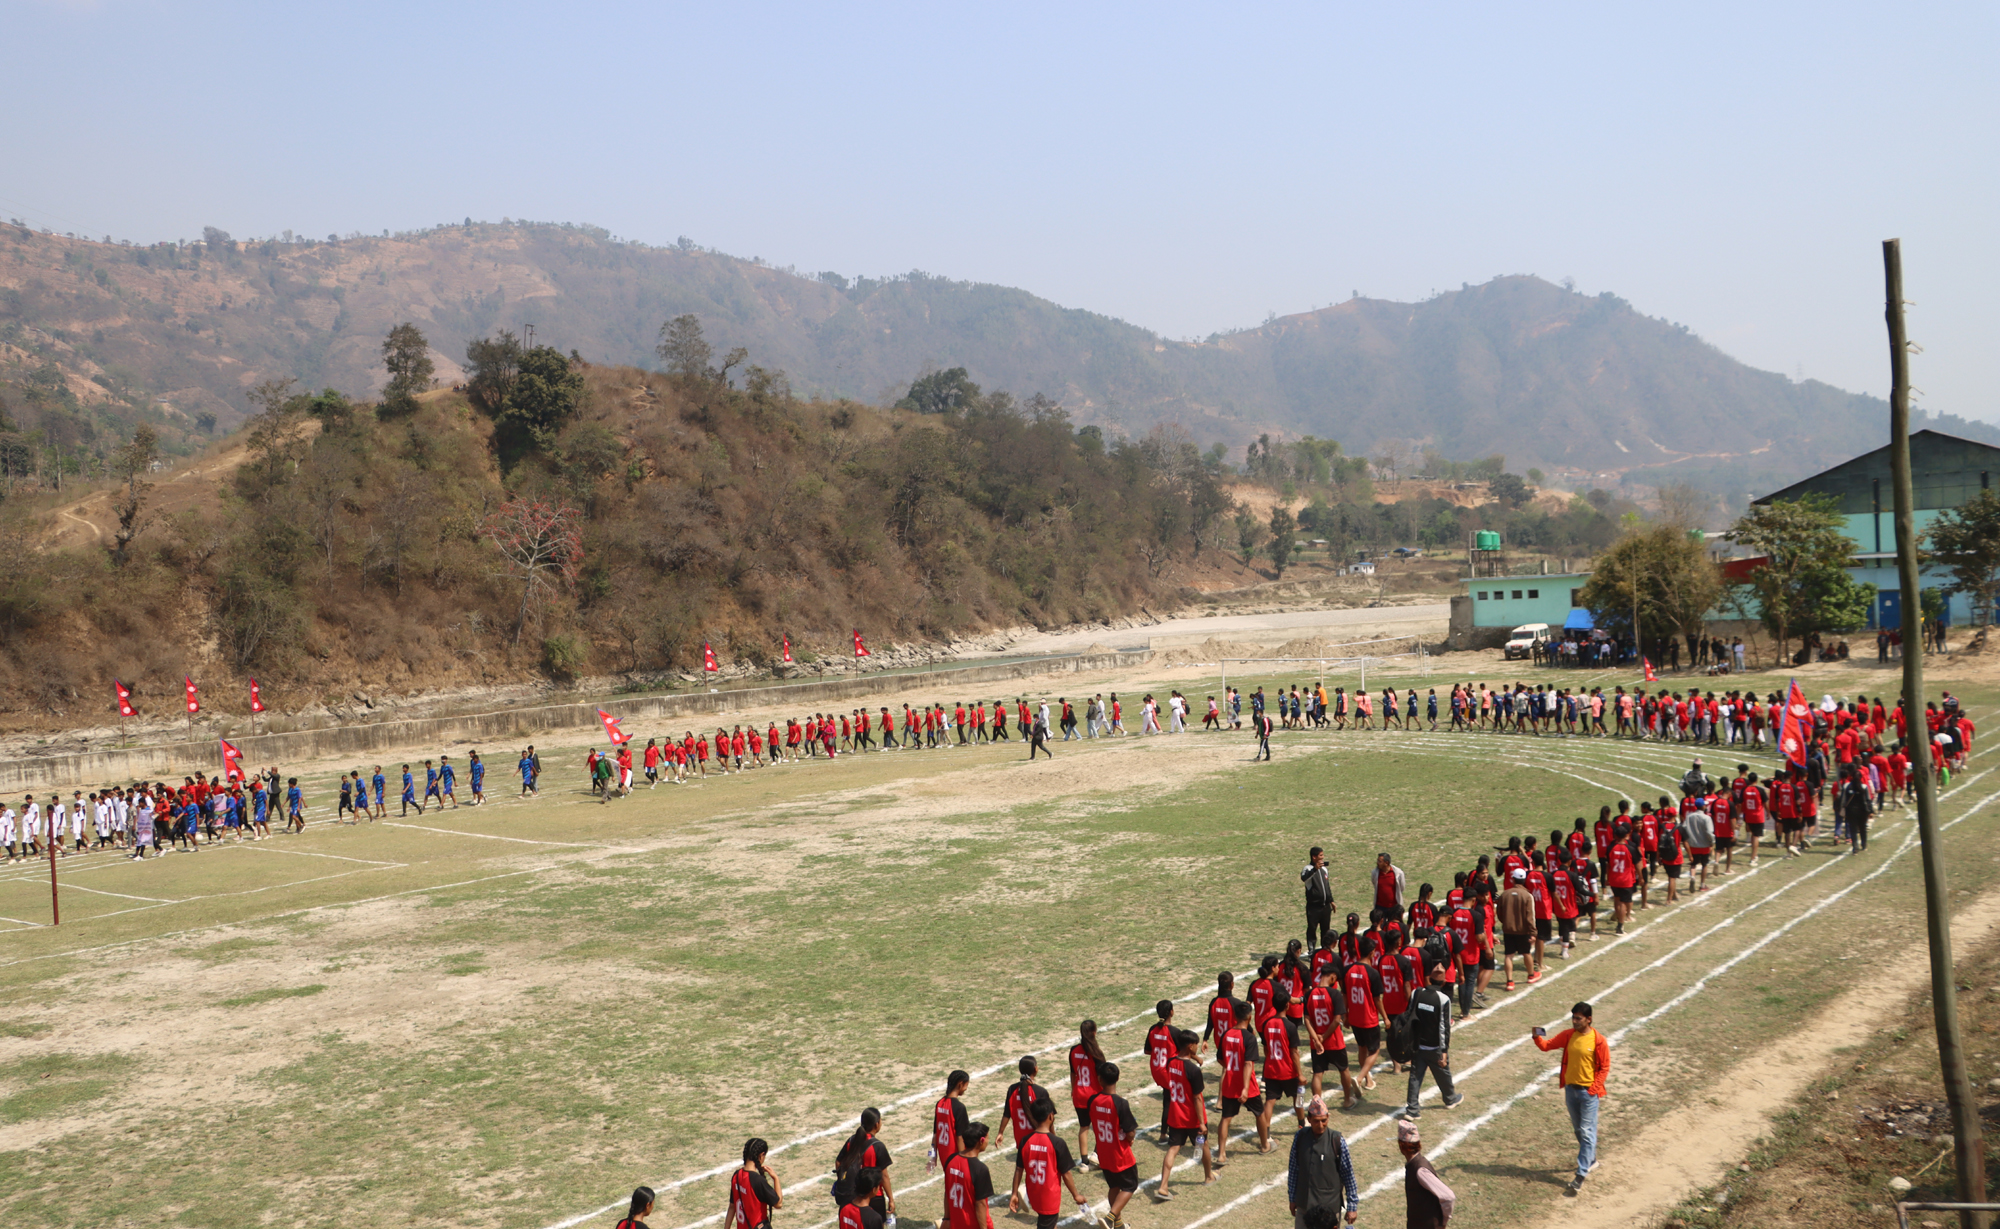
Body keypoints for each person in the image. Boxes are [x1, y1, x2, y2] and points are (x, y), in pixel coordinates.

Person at [1531, 1002, 1610, 1195]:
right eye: (1573, 1018)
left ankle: (1580, 1174)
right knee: (1579, 1130)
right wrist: (1537, 1036)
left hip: (1588, 1093)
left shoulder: (1598, 1040)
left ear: (1588, 1019)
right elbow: (1547, 1046)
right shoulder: (1568, 1035)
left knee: (1586, 1130)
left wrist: (1593, 1089)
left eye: (1578, 1018)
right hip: (1571, 1091)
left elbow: (1604, 1067)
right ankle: (1590, 1160)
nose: (1574, 1021)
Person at [1155, 1029, 1213, 1200]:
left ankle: (1164, 1186)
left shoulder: (1171, 1062)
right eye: (1195, 1044)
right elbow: (1197, 1098)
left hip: (1175, 1115)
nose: (1197, 1046)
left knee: (1173, 1149)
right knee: (1204, 1146)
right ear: (1190, 1046)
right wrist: (1202, 1122)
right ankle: (1209, 1176)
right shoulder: (1194, 1071)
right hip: (1192, 1117)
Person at [1011, 1098, 1087, 1228]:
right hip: (1049, 1198)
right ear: (1051, 1116)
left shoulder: (1025, 1141)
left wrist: (1014, 1193)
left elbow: (1019, 1169)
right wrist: (1076, 1195)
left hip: (1034, 1193)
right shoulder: (1057, 1143)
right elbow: (1066, 1174)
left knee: (1050, 1224)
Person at [1402, 963, 1464, 1119]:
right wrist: (1444, 1051)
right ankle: (1450, 1099)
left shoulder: (1417, 992)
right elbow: (1444, 1027)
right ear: (1443, 983)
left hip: (1418, 1045)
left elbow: (1410, 1016)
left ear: (1429, 979)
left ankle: (1412, 1110)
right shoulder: (1443, 999)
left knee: (1415, 1077)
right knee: (1443, 1074)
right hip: (1434, 1046)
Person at [1287, 1096, 1358, 1228]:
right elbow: (1294, 1169)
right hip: (1305, 1207)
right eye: (1316, 1121)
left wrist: (1352, 1206)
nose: (1321, 1125)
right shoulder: (1300, 1137)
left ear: (1328, 1118)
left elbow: (1348, 1175)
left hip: (1328, 1212)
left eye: (1324, 1121)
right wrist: (1292, 1198)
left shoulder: (1337, 1140)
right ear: (1309, 1119)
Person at [1087, 1064, 1140, 1229]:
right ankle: (1110, 1218)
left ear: (1099, 1079)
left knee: (1114, 1186)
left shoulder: (1092, 1101)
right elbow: (1130, 1131)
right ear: (1117, 1078)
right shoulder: (1120, 1103)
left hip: (1103, 1152)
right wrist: (1130, 1139)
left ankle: (1118, 1224)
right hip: (1120, 1153)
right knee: (1130, 1185)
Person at [833, 1109, 894, 1220]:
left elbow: (838, 1162)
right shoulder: (878, 1146)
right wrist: (891, 1198)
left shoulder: (852, 1140)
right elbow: (884, 1176)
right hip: (874, 1196)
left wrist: (843, 1181)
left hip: (853, 1195)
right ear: (877, 1124)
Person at [1398, 1120, 1457, 1229]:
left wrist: (1443, 1221)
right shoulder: (1413, 1164)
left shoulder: (1420, 1170)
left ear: (1401, 1146)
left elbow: (1448, 1196)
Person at [943, 1121, 998, 1229]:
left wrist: (946, 1218)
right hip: (973, 1225)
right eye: (987, 1138)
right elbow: (980, 1204)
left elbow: (947, 1192)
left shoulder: (950, 1160)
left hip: (956, 1223)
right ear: (981, 1141)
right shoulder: (980, 1169)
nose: (988, 1141)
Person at [1068, 1023, 1106, 1164]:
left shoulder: (1073, 1050)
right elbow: (1102, 1077)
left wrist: (1073, 1090)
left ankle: (1084, 1161)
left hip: (1079, 1093)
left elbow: (1073, 1074)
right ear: (1094, 1033)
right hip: (1094, 1094)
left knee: (1084, 1126)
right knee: (1099, 1126)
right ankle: (1096, 1153)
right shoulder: (1096, 1053)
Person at [723, 1139, 781, 1229]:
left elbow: (732, 1207)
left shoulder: (736, 1176)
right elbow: (778, 1204)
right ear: (761, 1155)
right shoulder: (757, 1181)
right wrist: (776, 1179)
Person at [1498, 870, 1534, 990]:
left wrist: (1506, 922)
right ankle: (1531, 975)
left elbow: (1499, 913)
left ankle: (1509, 981)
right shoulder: (1527, 896)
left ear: (1513, 879)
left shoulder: (1505, 894)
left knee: (1509, 955)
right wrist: (1533, 932)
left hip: (1508, 930)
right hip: (1523, 930)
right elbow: (1530, 916)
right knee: (1526, 953)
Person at [1302, 846, 1333, 949]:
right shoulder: (1308, 869)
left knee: (1326, 929)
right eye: (1320, 855)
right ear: (1314, 857)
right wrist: (1315, 869)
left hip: (1325, 906)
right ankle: (1311, 950)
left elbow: (1327, 886)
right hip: (1314, 907)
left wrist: (1331, 901)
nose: (1323, 857)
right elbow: (1304, 878)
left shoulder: (1324, 869)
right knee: (1312, 929)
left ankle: (1325, 949)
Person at [1371, 852, 1406, 925]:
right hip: (1380, 907)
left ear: (1386, 863)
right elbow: (1375, 884)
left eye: (1380, 861)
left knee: (1393, 927)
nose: (1377, 863)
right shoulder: (1375, 872)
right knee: (1380, 927)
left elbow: (1401, 888)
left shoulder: (1398, 873)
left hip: (1393, 907)